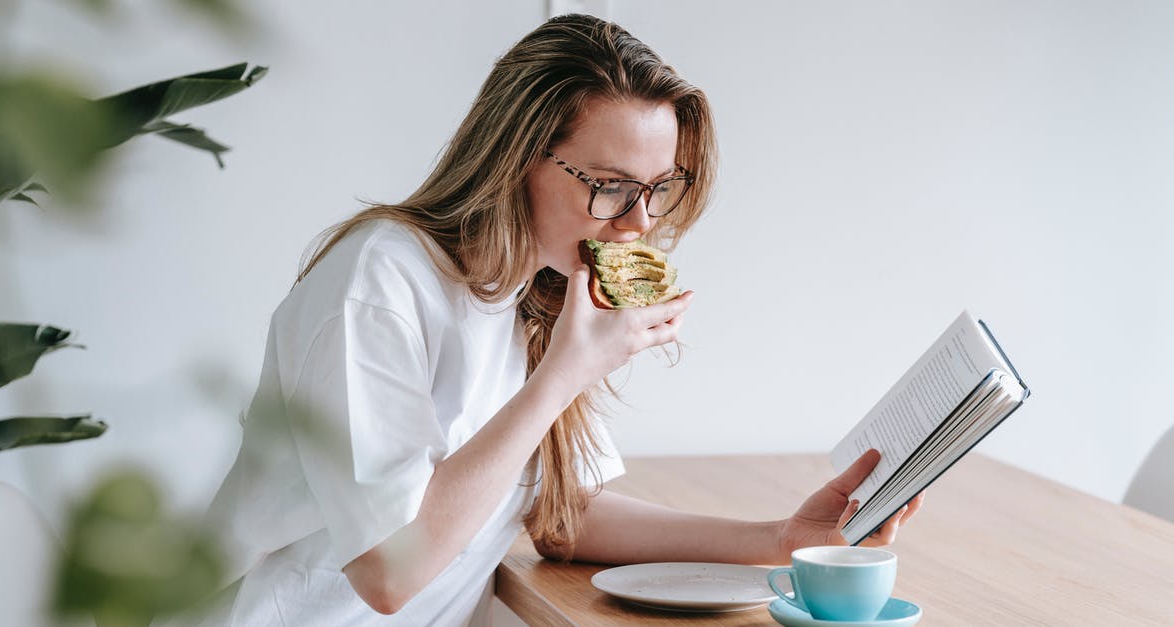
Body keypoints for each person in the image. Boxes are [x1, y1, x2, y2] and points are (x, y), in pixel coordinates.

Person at [184, 13, 923, 627]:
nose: (638, 223)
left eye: (658, 188)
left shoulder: (541, 290)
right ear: (516, 159)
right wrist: (568, 371)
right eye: (609, 186)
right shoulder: (381, 281)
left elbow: (564, 515)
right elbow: (387, 572)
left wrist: (781, 538)